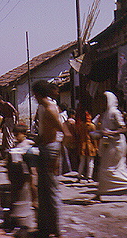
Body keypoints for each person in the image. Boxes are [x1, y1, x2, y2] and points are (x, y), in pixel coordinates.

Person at [32, 80, 71, 238]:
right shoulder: (42, 107)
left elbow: (64, 133)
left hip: (51, 149)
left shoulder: (49, 108)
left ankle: (57, 229)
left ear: (38, 94)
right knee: (43, 190)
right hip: (44, 146)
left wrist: (57, 156)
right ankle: (45, 227)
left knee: (52, 190)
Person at [92, 91, 127, 202]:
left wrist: (110, 133)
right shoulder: (104, 114)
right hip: (108, 144)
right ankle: (99, 193)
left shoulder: (115, 113)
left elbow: (124, 128)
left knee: (111, 168)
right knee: (105, 169)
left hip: (116, 145)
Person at [76, 111, 97, 183]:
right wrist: (96, 146)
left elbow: (78, 135)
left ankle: (79, 175)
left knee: (82, 161)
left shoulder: (81, 126)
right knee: (90, 162)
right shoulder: (92, 126)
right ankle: (89, 177)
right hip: (90, 145)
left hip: (82, 145)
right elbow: (94, 138)